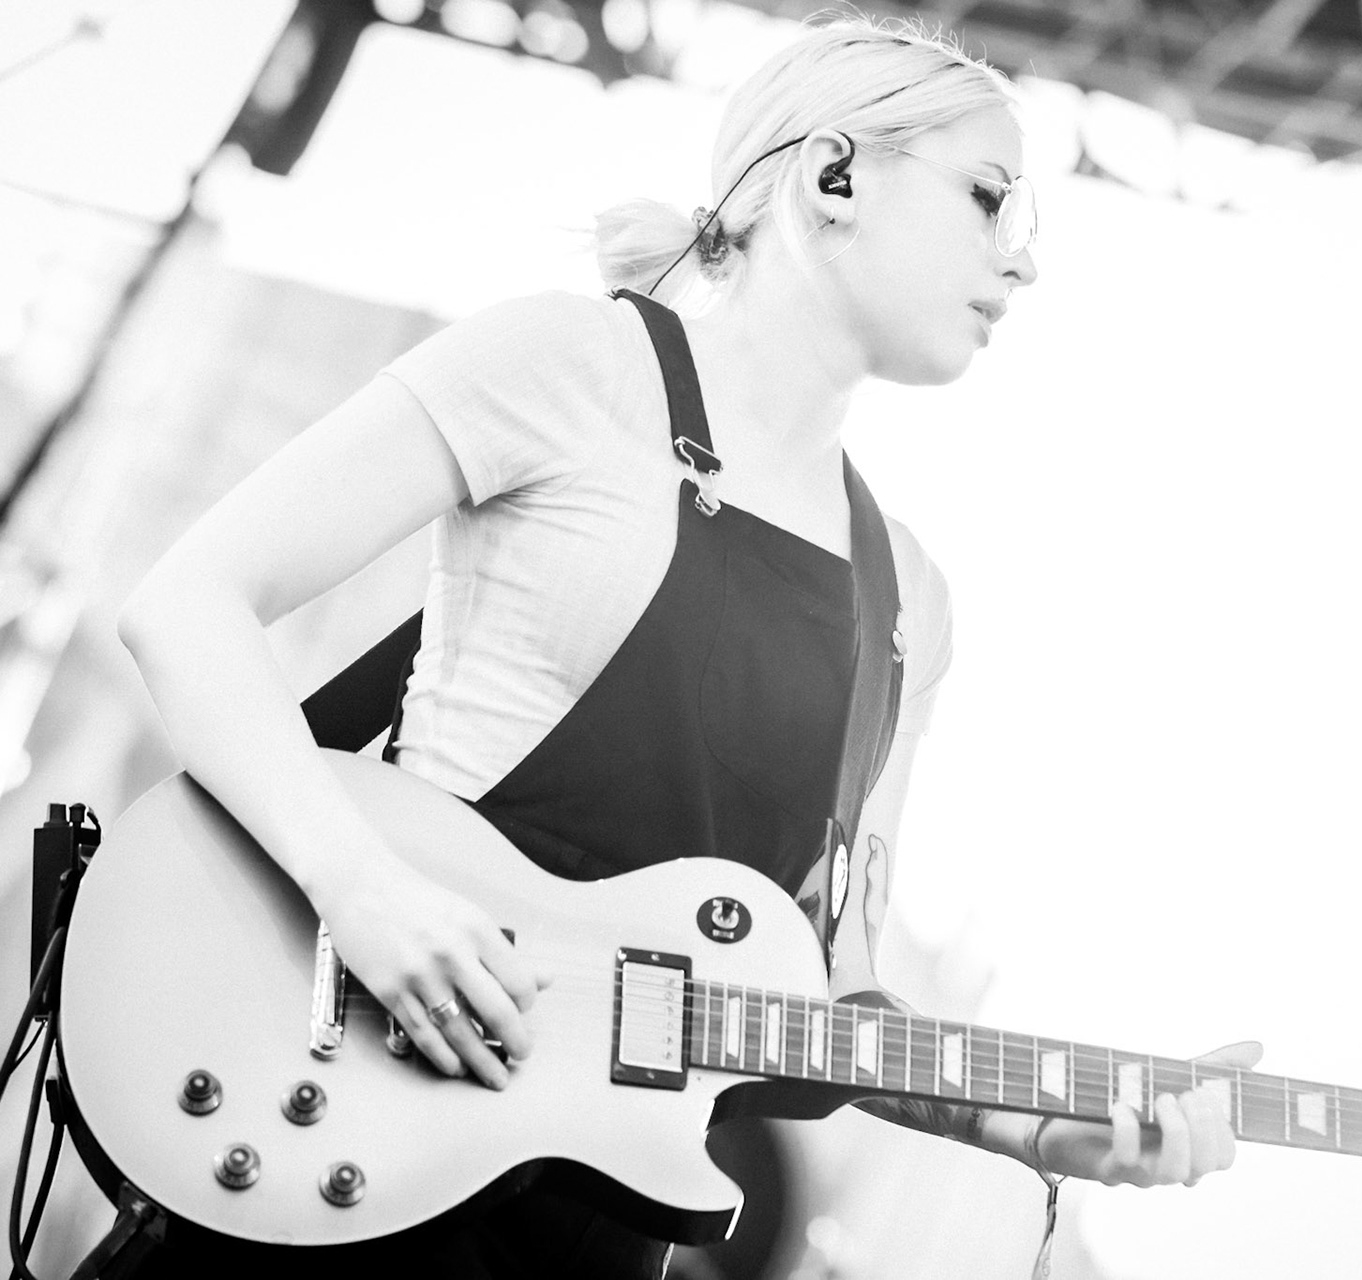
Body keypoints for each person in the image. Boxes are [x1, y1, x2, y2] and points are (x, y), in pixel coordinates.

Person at [114, 14, 1257, 1277]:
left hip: (592, 1238)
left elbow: (842, 996)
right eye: (991, 199)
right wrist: (363, 890)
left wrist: (1047, 1123)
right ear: (834, 178)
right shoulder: (571, 361)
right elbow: (188, 603)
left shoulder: (909, 602)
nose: (1021, 260)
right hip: (335, 1148)